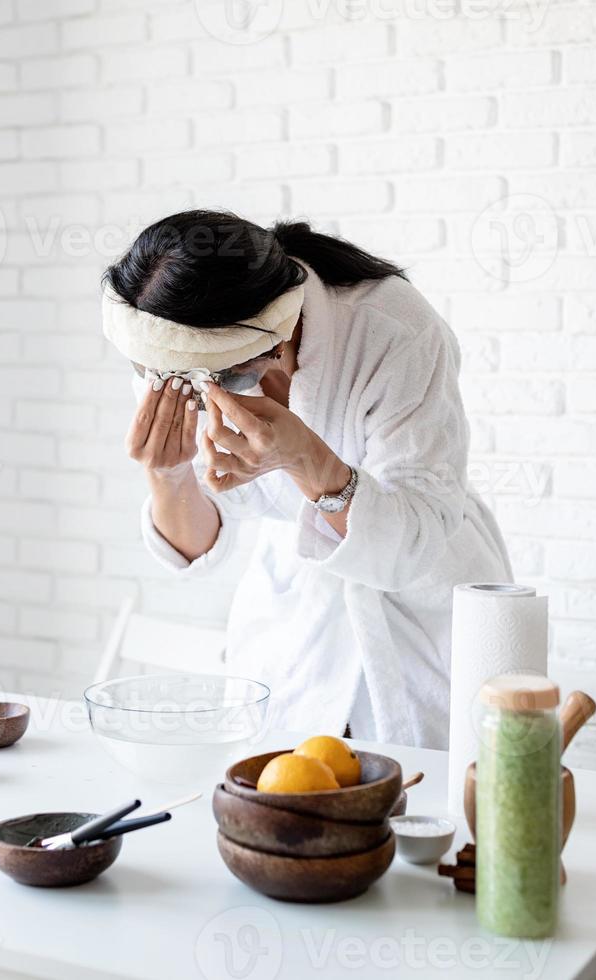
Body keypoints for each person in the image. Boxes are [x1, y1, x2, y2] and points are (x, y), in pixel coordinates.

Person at [101, 211, 512, 748]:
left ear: (275, 330)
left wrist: (308, 463)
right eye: (176, 376)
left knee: (437, 799)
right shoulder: (175, 355)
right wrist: (169, 473)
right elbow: (201, 548)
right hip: (294, 621)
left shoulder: (390, 328)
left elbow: (419, 525)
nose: (198, 391)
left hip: (423, 583)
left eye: (217, 372)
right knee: (282, 792)